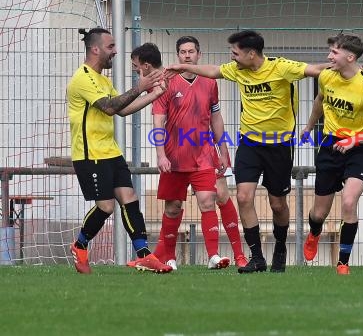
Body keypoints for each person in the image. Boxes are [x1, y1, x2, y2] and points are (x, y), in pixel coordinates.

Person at [165, 30, 328, 273]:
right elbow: (213, 71)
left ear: (251, 53)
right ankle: (257, 258)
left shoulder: (281, 67)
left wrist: (347, 67)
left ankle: (280, 248)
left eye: (236, 53)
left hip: (280, 145)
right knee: (243, 197)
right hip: (249, 143)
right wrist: (180, 68)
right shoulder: (237, 70)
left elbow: (316, 70)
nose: (233, 58)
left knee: (277, 204)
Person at [67, 28, 172, 274]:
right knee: (106, 207)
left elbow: (123, 109)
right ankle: (80, 245)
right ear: (95, 49)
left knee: (130, 201)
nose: (115, 51)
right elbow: (110, 107)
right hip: (90, 155)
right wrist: (140, 85)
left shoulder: (102, 79)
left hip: (110, 152)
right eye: (111, 47)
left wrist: (155, 93)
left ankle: (144, 255)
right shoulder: (83, 78)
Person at [146, 37, 248, 270]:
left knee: (210, 199)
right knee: (172, 207)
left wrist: (223, 150)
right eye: (183, 52)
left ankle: (218, 256)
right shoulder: (165, 82)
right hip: (174, 157)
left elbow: (215, 117)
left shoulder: (210, 82)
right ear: (178, 55)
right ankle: (168, 258)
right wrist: (161, 155)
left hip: (204, 153)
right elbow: (158, 122)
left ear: (198, 55)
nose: (187, 55)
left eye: (191, 51)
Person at [300, 34, 363, 275]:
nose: (329, 57)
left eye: (334, 52)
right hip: (330, 145)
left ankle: (343, 262)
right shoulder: (327, 76)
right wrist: (309, 127)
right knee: (319, 213)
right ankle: (315, 232)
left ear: (350, 57)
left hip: (359, 148)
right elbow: (320, 100)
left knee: (349, 202)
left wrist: (355, 140)